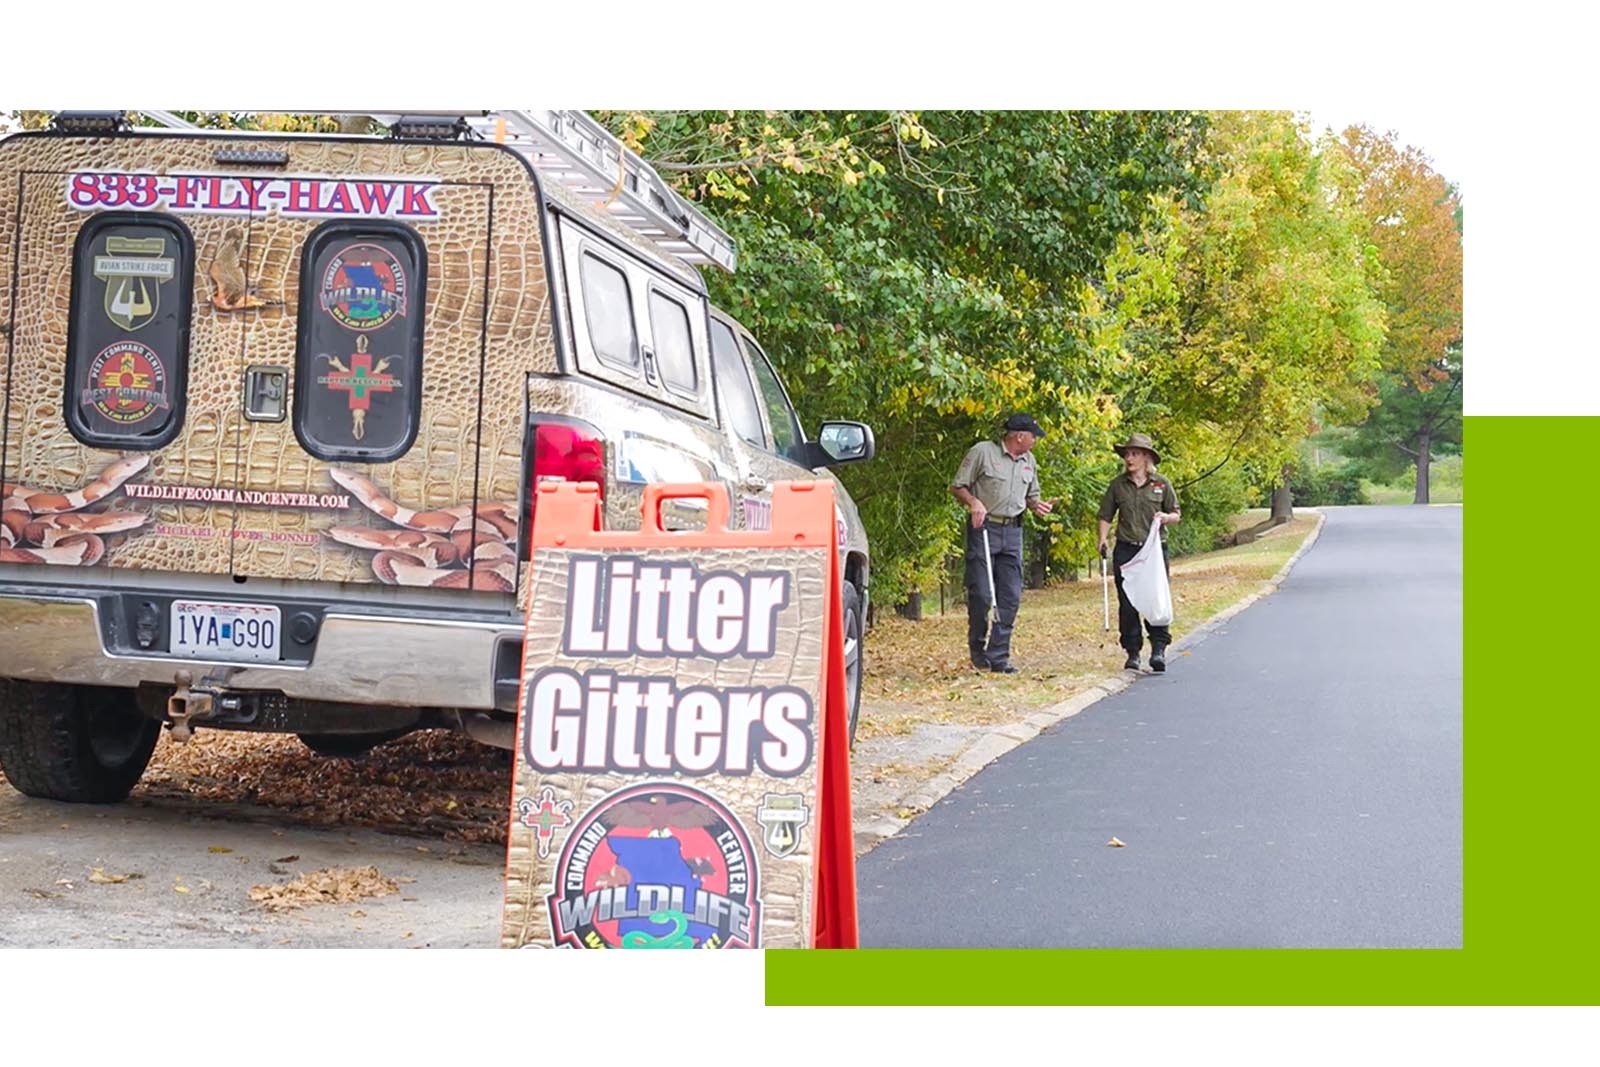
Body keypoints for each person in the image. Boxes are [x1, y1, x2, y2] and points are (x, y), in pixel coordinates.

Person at [950, 414, 1055, 673]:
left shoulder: (1029, 461)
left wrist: (1037, 505)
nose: (1035, 441)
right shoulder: (983, 452)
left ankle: (998, 656)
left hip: (1013, 531)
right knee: (983, 594)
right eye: (1033, 436)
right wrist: (974, 502)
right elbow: (958, 486)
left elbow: (1032, 495)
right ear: (1019, 436)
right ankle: (977, 650)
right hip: (984, 527)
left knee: (1010, 595)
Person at [1097, 433, 1181, 673]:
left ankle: (1158, 648)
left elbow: (1176, 514)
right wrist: (1102, 539)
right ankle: (1132, 652)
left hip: (1154, 550)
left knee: (1155, 598)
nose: (1129, 458)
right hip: (1127, 550)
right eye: (1127, 454)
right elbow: (1105, 515)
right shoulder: (1118, 485)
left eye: (1134, 454)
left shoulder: (1162, 484)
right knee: (1127, 601)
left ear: (1146, 457)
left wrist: (1166, 518)